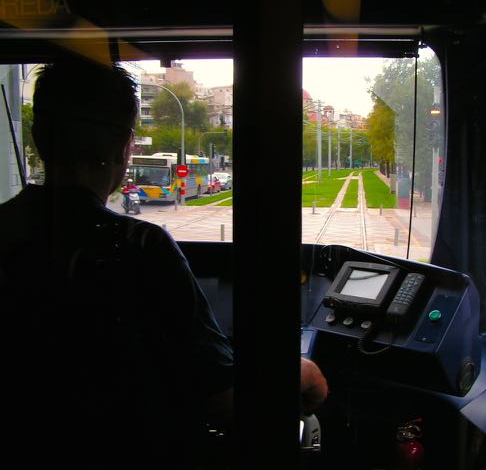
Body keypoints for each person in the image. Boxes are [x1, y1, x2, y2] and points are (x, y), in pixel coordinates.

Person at [0, 57, 327, 467]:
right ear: (125, 147)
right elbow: (228, 403)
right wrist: (301, 373)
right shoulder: (140, 247)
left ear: (38, 139)